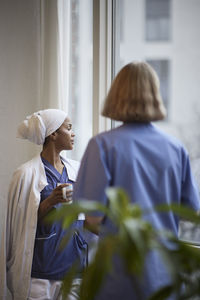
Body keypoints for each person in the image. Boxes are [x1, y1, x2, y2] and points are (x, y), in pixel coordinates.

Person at [73, 62, 200, 300]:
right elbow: (191, 211)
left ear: (116, 94)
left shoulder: (102, 146)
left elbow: (92, 219)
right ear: (154, 96)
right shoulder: (176, 148)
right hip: (165, 277)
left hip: (118, 277)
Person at [0, 109, 88, 300]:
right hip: (40, 274)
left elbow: (87, 216)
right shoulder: (25, 174)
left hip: (74, 270)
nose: (73, 133)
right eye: (69, 128)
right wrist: (50, 201)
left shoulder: (78, 169)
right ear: (53, 134)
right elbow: (21, 223)